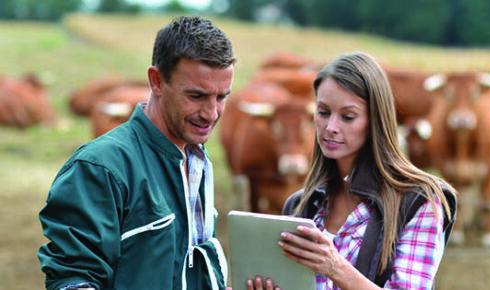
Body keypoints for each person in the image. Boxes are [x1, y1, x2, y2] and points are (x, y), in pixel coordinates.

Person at [38, 16, 236, 290]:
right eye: (196, 96)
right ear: (156, 81)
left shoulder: (198, 160)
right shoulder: (100, 168)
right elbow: (74, 279)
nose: (211, 114)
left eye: (222, 97)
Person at [279, 51, 457, 289]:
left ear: (376, 120)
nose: (330, 127)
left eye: (348, 117)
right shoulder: (300, 205)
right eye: (323, 112)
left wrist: (335, 268)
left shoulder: (419, 200)